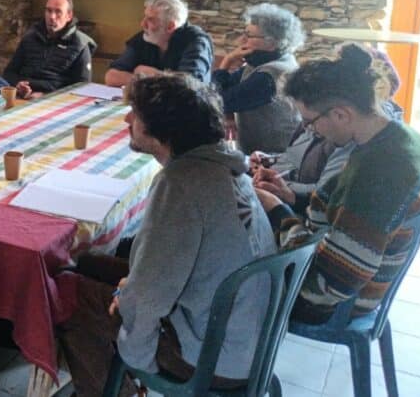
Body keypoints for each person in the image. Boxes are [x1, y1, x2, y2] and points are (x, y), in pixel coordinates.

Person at [59, 74, 275, 397]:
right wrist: (131, 289)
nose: (126, 119)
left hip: (214, 357)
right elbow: (161, 272)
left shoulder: (181, 184)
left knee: (66, 294)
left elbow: (150, 296)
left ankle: (118, 388)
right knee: (84, 263)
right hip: (249, 338)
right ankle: (106, 378)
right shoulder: (225, 165)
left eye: (135, 114)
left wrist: (138, 353)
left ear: (163, 130)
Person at [255, 44, 420, 324]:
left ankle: (231, 365)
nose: (312, 131)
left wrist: (279, 213)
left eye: (310, 122)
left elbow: (327, 285)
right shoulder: (401, 139)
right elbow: (348, 207)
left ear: (340, 114)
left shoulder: (377, 174)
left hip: (339, 303)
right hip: (357, 276)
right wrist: (292, 198)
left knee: (223, 272)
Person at [212, 3, 304, 154]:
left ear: (272, 44)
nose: (242, 40)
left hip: (275, 156)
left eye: (249, 35)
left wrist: (226, 62)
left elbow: (219, 103)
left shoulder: (271, 74)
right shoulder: (260, 62)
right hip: (257, 152)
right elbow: (216, 91)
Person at [0, 0, 96, 99]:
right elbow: (9, 72)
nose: (52, 17)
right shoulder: (30, 37)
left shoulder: (80, 44)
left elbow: (82, 87)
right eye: (49, 11)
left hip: (51, 97)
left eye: (58, 12)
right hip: (21, 93)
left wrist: (46, 95)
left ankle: (16, 104)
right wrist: (18, 85)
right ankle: (17, 102)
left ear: (69, 16)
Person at [104, 0, 213, 87]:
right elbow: (111, 77)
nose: (142, 24)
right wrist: (144, 78)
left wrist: (151, 75)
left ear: (170, 26)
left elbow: (188, 87)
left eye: (151, 19)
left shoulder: (196, 42)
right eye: (144, 17)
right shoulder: (145, 37)